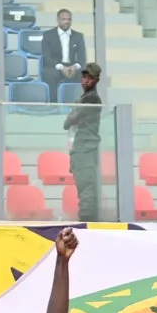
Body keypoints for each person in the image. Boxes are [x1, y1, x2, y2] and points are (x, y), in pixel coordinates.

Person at [64, 63, 103, 222]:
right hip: (80, 148)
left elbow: (69, 121)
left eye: (90, 78)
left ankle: (88, 226)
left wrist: (74, 117)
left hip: (86, 149)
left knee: (87, 192)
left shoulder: (92, 98)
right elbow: (68, 122)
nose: (86, 81)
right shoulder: (83, 98)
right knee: (84, 191)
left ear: (97, 80)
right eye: (84, 77)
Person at [42, 8, 87, 101]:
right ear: (58, 20)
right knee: (50, 75)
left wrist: (75, 67)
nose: (67, 21)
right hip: (55, 66)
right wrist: (62, 67)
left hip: (72, 66)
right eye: (64, 19)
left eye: (69, 19)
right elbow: (47, 57)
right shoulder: (48, 35)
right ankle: (53, 104)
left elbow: (82, 57)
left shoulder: (78, 36)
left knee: (86, 75)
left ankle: (77, 104)